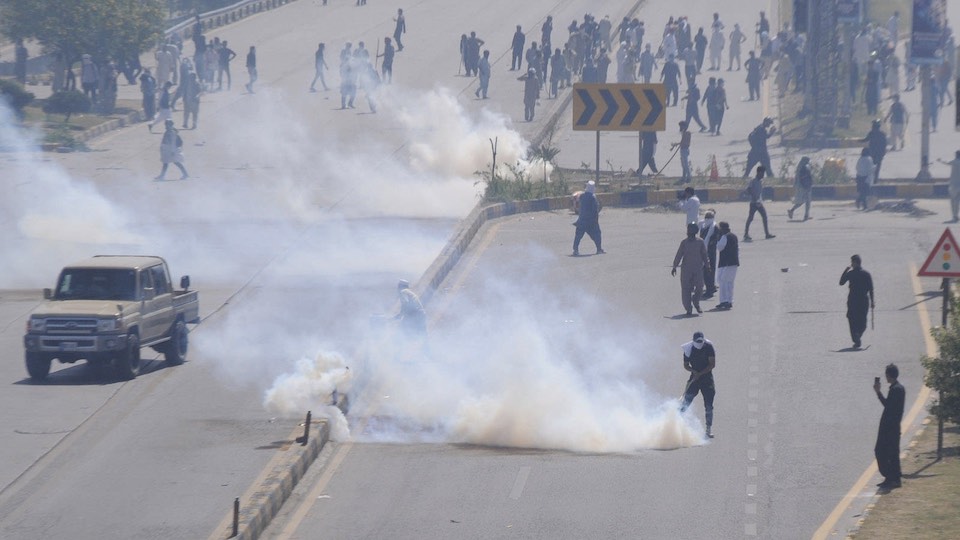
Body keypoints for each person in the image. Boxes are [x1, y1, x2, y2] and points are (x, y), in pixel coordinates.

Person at [679, 331, 716, 438]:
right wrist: (694, 372)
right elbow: (685, 365)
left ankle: (708, 429)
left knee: (709, 406)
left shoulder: (709, 347)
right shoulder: (688, 349)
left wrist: (701, 373)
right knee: (686, 402)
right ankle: (676, 424)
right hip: (694, 379)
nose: (699, 343)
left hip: (707, 379)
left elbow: (712, 364)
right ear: (694, 341)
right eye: (697, 341)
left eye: (701, 341)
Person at [873, 363, 904, 489]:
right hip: (892, 427)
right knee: (890, 453)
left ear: (889, 375)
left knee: (882, 452)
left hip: (890, 428)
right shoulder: (897, 388)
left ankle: (892, 478)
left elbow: (888, 406)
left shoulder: (896, 389)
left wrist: (878, 392)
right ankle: (891, 478)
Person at [671, 222, 709, 316]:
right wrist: (674, 266)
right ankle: (688, 308)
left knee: (700, 286)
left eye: (691, 231)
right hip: (686, 270)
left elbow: (704, 254)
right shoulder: (684, 243)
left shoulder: (700, 242)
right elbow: (679, 254)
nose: (689, 233)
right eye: (689, 231)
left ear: (695, 231)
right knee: (685, 289)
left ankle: (696, 302)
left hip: (698, 269)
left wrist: (708, 265)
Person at [839, 254, 874, 349]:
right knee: (862, 321)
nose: (851, 264)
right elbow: (871, 289)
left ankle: (856, 337)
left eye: (852, 262)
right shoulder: (866, 274)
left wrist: (845, 270)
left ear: (855, 262)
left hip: (853, 301)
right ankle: (857, 337)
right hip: (863, 301)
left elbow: (841, 282)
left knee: (853, 320)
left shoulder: (851, 273)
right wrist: (872, 301)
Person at [743, 166, 774, 241]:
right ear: (759, 172)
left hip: (759, 202)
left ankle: (767, 234)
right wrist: (753, 197)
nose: (763, 175)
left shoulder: (760, 181)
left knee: (764, 217)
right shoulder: (753, 181)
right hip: (753, 203)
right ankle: (746, 234)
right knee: (750, 218)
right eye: (763, 173)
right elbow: (748, 190)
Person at [573, 181, 604, 256]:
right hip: (590, 221)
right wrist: (596, 220)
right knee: (597, 234)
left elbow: (579, 206)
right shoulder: (593, 198)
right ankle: (599, 249)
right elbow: (595, 210)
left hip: (581, 220)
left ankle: (575, 250)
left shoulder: (582, 196)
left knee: (578, 236)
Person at [715, 221, 738, 309]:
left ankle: (725, 301)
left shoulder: (725, 236)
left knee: (723, 281)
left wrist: (718, 239)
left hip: (727, 262)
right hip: (733, 262)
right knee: (728, 282)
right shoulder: (733, 236)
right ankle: (728, 300)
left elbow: (720, 247)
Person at [699, 210, 719, 299]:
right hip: (705, 251)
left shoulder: (714, 227)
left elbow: (716, 239)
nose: (707, 220)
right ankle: (711, 287)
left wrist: (710, 245)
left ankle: (710, 289)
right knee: (707, 271)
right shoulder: (704, 227)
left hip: (710, 252)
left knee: (708, 271)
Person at [788, 156, 813, 221]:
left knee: (802, 201)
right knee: (807, 201)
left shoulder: (800, 167)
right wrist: (808, 186)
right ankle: (806, 215)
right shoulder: (805, 167)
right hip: (805, 187)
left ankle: (793, 211)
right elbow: (806, 178)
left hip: (801, 187)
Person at [938, 151, 960, 222]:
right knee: (957, 201)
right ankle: (956, 215)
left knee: (953, 201)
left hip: (953, 185)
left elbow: (946, 163)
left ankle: (954, 216)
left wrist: (940, 160)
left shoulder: (954, 162)